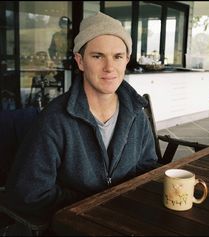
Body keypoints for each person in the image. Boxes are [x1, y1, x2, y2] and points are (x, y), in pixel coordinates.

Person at [5, 12, 159, 224]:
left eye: (117, 56)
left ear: (126, 60)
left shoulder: (136, 114)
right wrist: (94, 204)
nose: (109, 67)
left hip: (126, 221)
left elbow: (147, 169)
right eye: (97, 56)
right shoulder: (55, 120)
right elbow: (29, 195)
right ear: (80, 61)